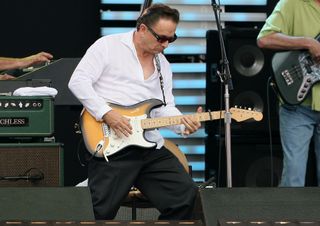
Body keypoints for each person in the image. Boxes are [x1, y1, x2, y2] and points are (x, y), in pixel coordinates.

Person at [68, 4, 201, 220]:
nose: (166, 44)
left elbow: (164, 108)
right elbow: (78, 82)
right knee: (98, 213)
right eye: (161, 38)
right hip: (113, 145)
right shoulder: (108, 46)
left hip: (149, 146)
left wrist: (182, 124)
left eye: (171, 39)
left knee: (186, 197)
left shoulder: (163, 65)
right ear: (142, 29)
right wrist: (106, 113)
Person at [257, 0, 320, 187]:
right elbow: (264, 38)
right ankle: (290, 218)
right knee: (293, 178)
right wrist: (307, 42)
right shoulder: (291, 2)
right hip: (297, 107)